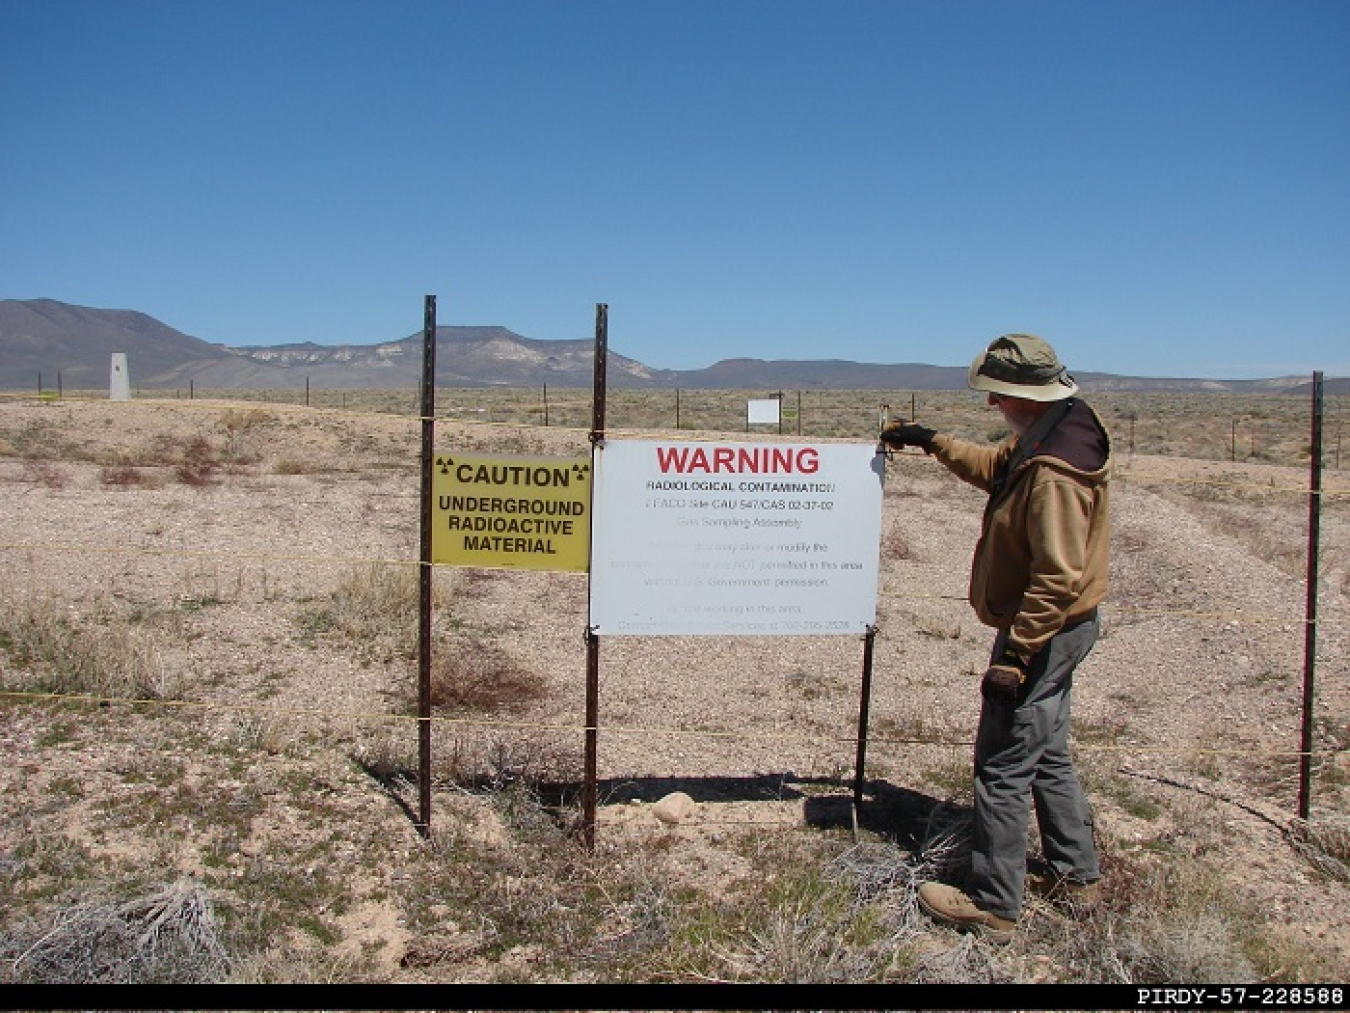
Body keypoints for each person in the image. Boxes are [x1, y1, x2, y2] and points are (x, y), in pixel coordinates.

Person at [879, 333, 1110, 944]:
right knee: (1048, 750)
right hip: (1064, 629)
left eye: (998, 396)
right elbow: (997, 468)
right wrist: (934, 442)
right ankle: (1075, 876)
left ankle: (994, 905)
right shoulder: (1060, 427)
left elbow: (1056, 576)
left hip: (1045, 630)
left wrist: (1014, 654)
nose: (991, 407)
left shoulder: (1055, 468)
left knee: (1002, 763)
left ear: (1023, 397)